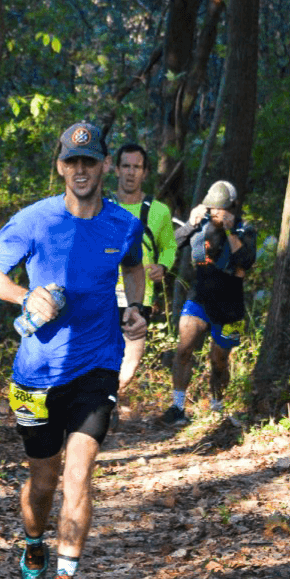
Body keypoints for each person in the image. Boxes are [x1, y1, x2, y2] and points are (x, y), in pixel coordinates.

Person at [0, 120, 147, 579]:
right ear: (60, 166)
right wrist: (25, 297)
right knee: (43, 482)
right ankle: (33, 556)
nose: (81, 170)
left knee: (78, 476)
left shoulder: (123, 224)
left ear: (105, 168)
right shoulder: (33, 221)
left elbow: (134, 267)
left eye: (90, 162)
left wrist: (137, 308)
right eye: (72, 162)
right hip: (36, 373)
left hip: (97, 367)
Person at [159, 179, 257, 427]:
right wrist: (191, 223)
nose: (214, 212)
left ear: (232, 206)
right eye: (211, 207)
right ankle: (177, 407)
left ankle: (217, 405)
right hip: (199, 297)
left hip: (231, 306)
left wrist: (230, 230)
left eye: (219, 208)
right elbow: (173, 243)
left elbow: (246, 261)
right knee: (184, 349)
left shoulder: (246, 229)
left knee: (220, 360)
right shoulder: (200, 224)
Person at [113, 143, 177, 403]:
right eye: (126, 166)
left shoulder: (158, 211)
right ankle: (101, 404)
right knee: (99, 353)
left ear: (145, 173)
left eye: (136, 167)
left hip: (139, 296)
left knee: (131, 358)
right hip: (103, 292)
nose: (130, 172)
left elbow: (169, 246)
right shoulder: (101, 207)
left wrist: (163, 266)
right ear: (116, 170)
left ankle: (109, 396)